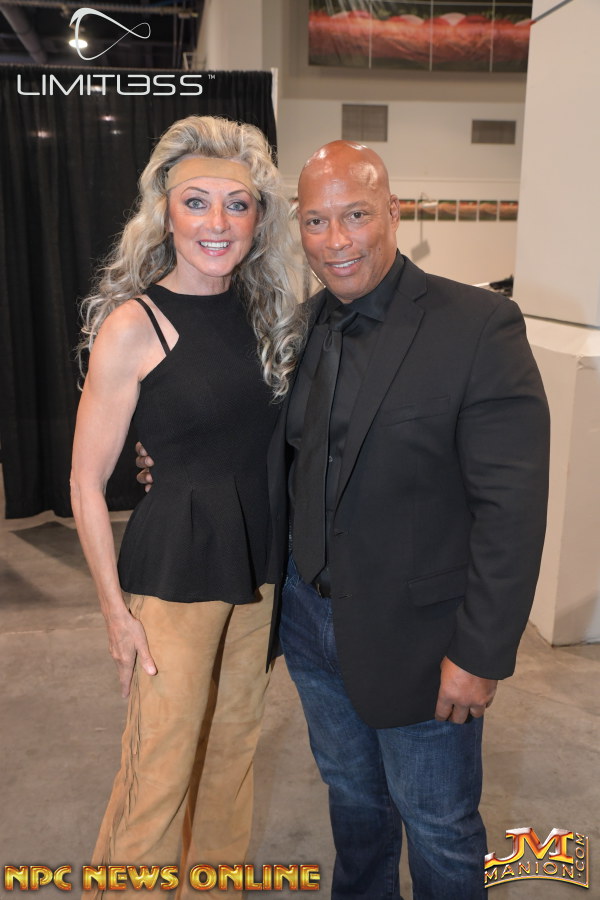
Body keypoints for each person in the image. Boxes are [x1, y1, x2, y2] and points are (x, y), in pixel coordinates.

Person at [137, 140, 550, 899]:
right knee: (355, 807)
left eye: (356, 215)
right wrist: (171, 457)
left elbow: (512, 508)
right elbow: (257, 440)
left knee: (440, 826)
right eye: (317, 221)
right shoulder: (302, 327)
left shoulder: (477, 325)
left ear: (394, 211)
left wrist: (482, 653)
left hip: (422, 640)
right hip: (308, 625)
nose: (337, 241)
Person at [70, 115, 305, 900]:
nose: (217, 222)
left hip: (257, 570)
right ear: (165, 213)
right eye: (196, 202)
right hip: (172, 576)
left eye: (236, 204)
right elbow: (85, 482)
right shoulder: (133, 325)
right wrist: (115, 614)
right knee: (160, 770)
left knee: (232, 757)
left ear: (259, 218)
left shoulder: (268, 315)